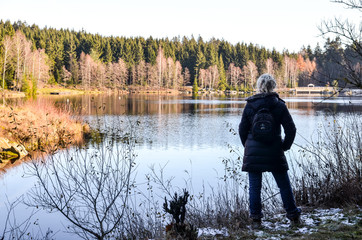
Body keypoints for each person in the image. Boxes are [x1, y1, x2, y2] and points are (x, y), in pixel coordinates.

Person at [238, 73, 301, 229]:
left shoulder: (250, 105)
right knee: (284, 185)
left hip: (253, 153)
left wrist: (248, 147)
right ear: (273, 86)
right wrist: (284, 146)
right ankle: (293, 215)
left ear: (259, 86)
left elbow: (242, 129)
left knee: (254, 187)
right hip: (274, 151)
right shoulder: (279, 105)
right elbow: (291, 129)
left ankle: (256, 221)